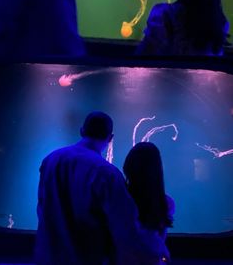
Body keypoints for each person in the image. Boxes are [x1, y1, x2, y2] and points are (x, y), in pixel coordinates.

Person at [35, 111, 169, 265]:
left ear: (82, 131)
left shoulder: (50, 160)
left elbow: (43, 206)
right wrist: (157, 249)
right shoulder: (107, 173)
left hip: (47, 256)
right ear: (110, 138)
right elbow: (125, 227)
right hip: (87, 258)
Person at [123, 142, 175, 257]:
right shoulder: (167, 204)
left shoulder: (117, 198)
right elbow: (160, 240)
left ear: (128, 165)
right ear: (157, 169)